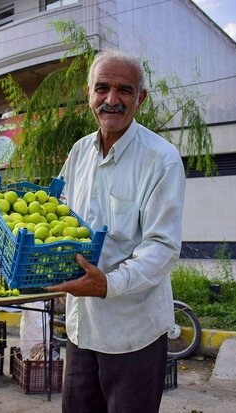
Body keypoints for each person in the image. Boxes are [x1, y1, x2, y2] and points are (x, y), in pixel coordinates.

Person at [45, 50, 186, 413]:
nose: (111, 100)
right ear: (88, 93)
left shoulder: (161, 159)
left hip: (133, 332)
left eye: (124, 90)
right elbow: (58, 214)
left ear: (140, 98)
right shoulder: (79, 153)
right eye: (102, 88)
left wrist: (108, 284)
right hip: (82, 327)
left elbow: (162, 247)